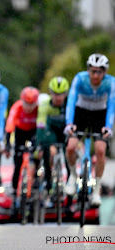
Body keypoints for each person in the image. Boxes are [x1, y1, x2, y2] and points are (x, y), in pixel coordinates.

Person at [64, 53, 115, 207]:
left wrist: (108, 127)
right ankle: (73, 176)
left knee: (100, 150)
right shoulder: (80, 78)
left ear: (104, 72)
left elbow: (112, 105)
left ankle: (96, 189)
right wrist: (69, 123)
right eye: (92, 71)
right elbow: (71, 101)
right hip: (81, 112)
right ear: (88, 70)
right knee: (71, 147)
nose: (95, 75)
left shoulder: (111, 82)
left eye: (99, 71)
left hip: (100, 115)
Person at [35, 76, 69, 207]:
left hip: (65, 130)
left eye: (61, 94)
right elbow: (40, 125)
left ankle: (70, 183)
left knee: (69, 153)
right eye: (55, 94)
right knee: (47, 148)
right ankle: (48, 183)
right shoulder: (44, 106)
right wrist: (39, 144)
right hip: (52, 131)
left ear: (65, 94)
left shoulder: (69, 104)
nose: (58, 97)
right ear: (50, 92)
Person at [5, 86, 39, 197]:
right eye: (26, 104)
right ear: (22, 100)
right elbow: (10, 124)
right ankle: (14, 187)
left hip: (34, 132)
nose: (29, 108)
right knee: (18, 161)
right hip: (20, 132)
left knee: (36, 155)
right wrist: (8, 143)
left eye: (31, 104)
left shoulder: (39, 108)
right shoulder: (17, 107)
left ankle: (36, 180)